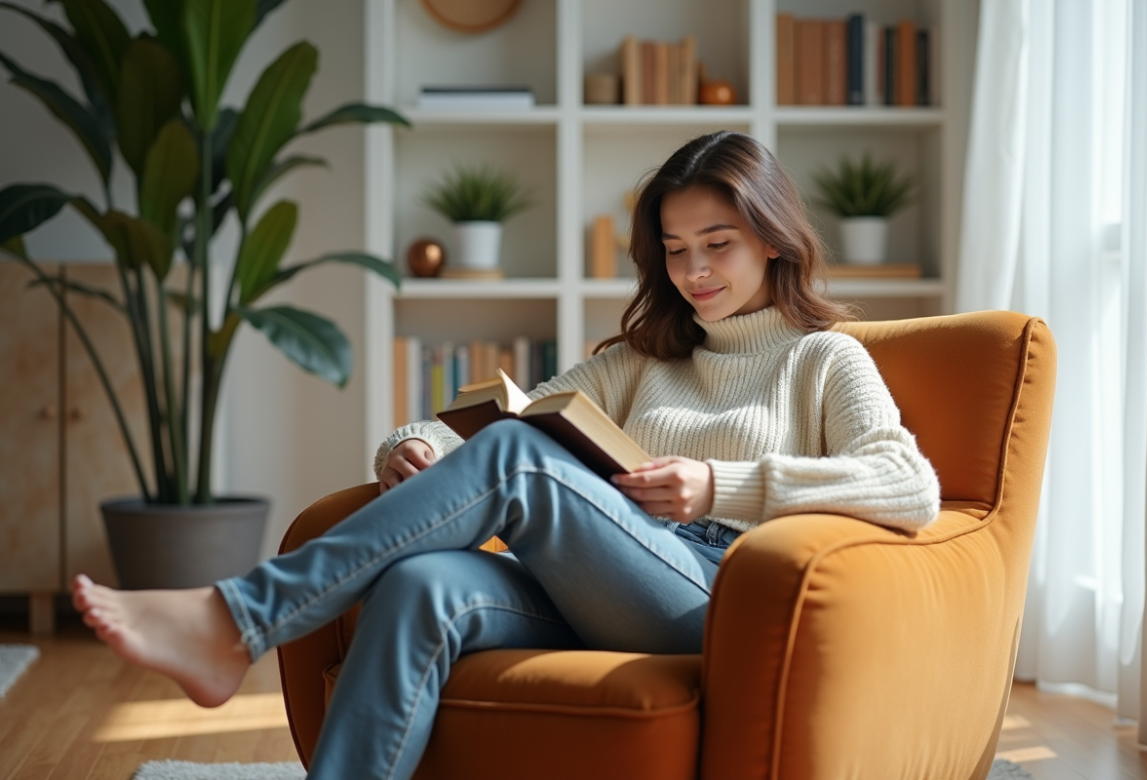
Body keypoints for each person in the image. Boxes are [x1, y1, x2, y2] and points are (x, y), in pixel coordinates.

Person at [73, 130, 940, 780]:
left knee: (522, 459)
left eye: (718, 244)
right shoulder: (640, 359)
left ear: (773, 239)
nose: (694, 270)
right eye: (674, 250)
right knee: (423, 585)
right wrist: (409, 444)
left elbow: (911, 487)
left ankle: (238, 620)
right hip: (604, 583)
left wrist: (721, 484)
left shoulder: (824, 356)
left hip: (717, 595)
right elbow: (495, 421)